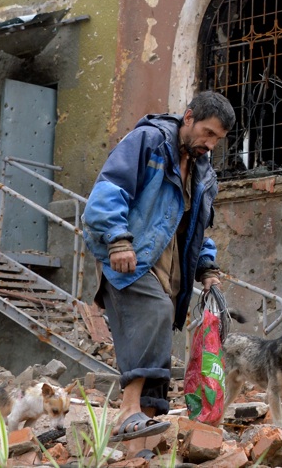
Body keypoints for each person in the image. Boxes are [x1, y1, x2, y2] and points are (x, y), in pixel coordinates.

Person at [82, 91, 235, 440]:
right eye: (207, 133)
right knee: (155, 311)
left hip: (169, 260)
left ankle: (141, 444)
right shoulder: (149, 141)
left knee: (159, 336)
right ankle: (127, 409)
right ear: (189, 117)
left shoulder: (202, 171)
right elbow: (109, 189)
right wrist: (118, 239)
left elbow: (197, 227)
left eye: (217, 139)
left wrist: (207, 268)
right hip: (128, 251)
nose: (210, 144)